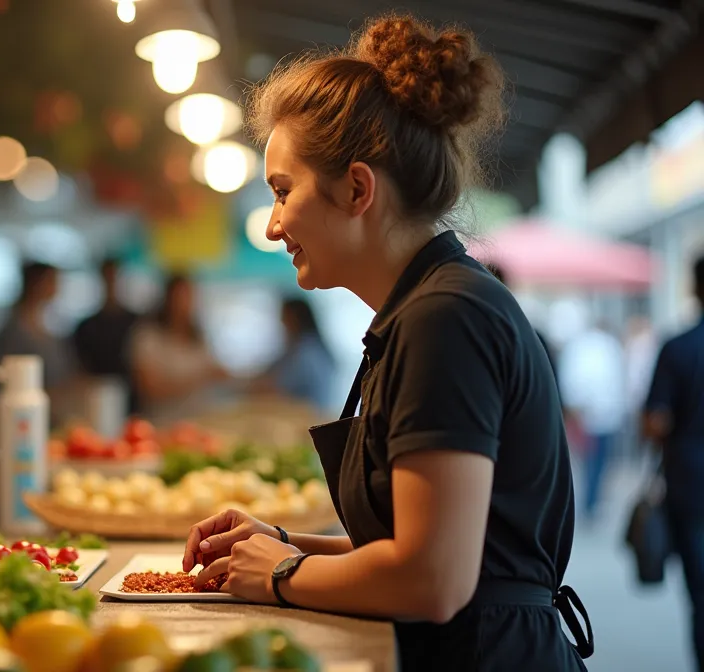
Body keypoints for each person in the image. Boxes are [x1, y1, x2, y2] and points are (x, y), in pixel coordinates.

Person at [182, 15, 592, 671]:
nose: (272, 225)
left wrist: (281, 573)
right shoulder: (423, 310)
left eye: (283, 192)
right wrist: (284, 544)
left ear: (358, 188)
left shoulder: (445, 319)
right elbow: (416, 548)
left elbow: (433, 579)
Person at [643, 256, 704, 670]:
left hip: (691, 487)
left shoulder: (678, 347)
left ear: (695, 288)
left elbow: (655, 422)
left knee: (702, 595)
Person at [130, 273, 230, 423]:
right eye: (180, 297)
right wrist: (200, 378)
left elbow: (217, 370)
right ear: (167, 299)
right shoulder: (148, 337)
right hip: (162, 422)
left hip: (200, 421)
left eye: (189, 297)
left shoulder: (199, 337)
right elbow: (150, 388)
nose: (185, 303)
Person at [558, 319, 626, 519]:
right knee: (599, 460)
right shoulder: (608, 347)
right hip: (604, 413)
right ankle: (592, 499)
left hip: (587, 412)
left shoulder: (579, 347)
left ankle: (590, 498)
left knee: (589, 459)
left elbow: (570, 379)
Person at [0, 261, 74, 391]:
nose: (57, 287)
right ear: (35, 284)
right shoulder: (14, 330)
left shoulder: (49, 324)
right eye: (51, 281)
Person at [71, 257, 141, 413]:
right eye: (107, 277)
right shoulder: (86, 326)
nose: (111, 283)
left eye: (115, 277)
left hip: (134, 400)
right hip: (97, 398)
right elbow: (80, 369)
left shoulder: (137, 323)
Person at [258, 297, 336, 411]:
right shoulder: (294, 348)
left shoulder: (308, 352)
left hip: (310, 417)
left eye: (284, 317)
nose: (282, 323)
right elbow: (269, 373)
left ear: (295, 318)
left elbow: (277, 387)